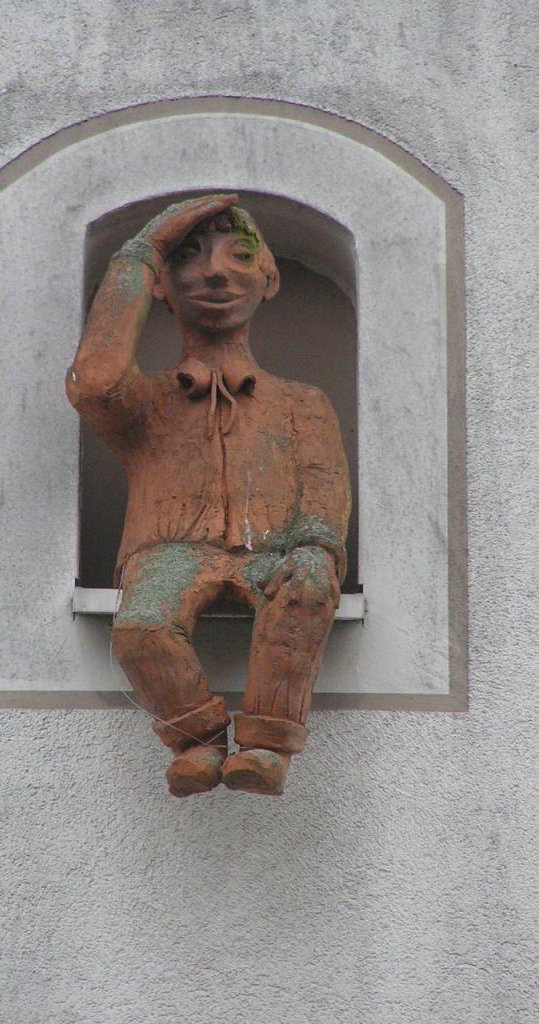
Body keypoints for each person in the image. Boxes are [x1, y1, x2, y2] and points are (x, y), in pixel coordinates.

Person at [66, 195, 351, 797]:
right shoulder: (145, 403)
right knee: (141, 625)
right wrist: (140, 254)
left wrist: (316, 548)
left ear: (270, 279)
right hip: (168, 553)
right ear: (162, 287)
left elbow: (324, 484)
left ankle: (268, 745)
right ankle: (196, 739)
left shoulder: (302, 402)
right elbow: (94, 380)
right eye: (190, 258)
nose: (216, 273)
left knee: (308, 587)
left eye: (240, 256)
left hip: (272, 552)